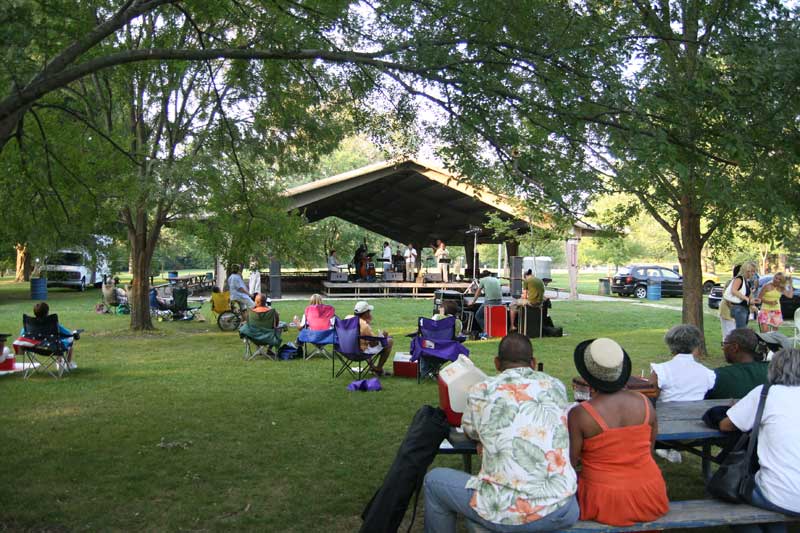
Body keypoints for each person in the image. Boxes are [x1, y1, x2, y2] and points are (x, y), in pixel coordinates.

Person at [423, 333, 579, 532]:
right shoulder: (555, 385)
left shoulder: (481, 390)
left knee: (434, 481)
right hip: (563, 508)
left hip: (508, 513)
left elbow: (470, 431)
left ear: (497, 363)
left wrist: (484, 438)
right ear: (533, 362)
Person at [568, 338, 669, 526]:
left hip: (604, 498)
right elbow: (649, 450)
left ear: (587, 376)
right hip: (649, 492)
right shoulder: (645, 403)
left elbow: (571, 464)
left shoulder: (580, 414)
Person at [720, 348, 800, 531]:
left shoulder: (765, 394)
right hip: (786, 491)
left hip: (780, 493)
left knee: (732, 499)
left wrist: (742, 407)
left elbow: (726, 425)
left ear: (774, 369)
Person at [706, 328, 768, 399]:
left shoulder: (719, 376)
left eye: (724, 344)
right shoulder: (773, 372)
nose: (723, 348)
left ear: (735, 347)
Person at [23, 301, 80, 370]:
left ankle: (59, 362)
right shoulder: (53, 324)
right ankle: (68, 364)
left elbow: (23, 335)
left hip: (35, 348)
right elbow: (68, 334)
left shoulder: (30, 325)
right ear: (47, 312)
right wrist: (74, 333)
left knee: (56, 341)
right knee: (67, 340)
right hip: (53, 348)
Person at [353, 300, 394, 376]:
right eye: (369, 311)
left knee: (364, 341)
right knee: (389, 341)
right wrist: (383, 337)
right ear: (365, 313)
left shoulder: (348, 319)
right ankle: (378, 368)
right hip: (360, 352)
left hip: (347, 350)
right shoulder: (364, 326)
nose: (370, 313)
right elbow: (373, 344)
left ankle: (372, 366)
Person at [727, 261, 759, 329]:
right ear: (747, 270)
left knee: (743, 329)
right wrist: (746, 299)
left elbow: (750, 295)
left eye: (754, 271)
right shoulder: (739, 279)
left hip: (744, 308)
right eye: (752, 271)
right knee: (741, 331)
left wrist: (753, 303)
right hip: (738, 308)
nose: (753, 273)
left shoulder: (747, 282)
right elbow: (734, 290)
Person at [719, 265, 740, 340]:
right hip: (727, 312)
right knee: (729, 335)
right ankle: (727, 350)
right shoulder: (731, 283)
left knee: (734, 335)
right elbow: (728, 299)